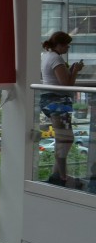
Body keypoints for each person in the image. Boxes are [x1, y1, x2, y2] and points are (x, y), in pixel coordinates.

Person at [41, 30, 84, 185]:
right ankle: (62, 176)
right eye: (67, 45)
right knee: (65, 139)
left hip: (51, 101)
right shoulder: (56, 59)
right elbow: (67, 85)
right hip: (57, 102)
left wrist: (71, 70)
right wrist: (75, 71)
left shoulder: (47, 56)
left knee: (63, 139)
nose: (68, 48)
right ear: (60, 44)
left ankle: (57, 175)